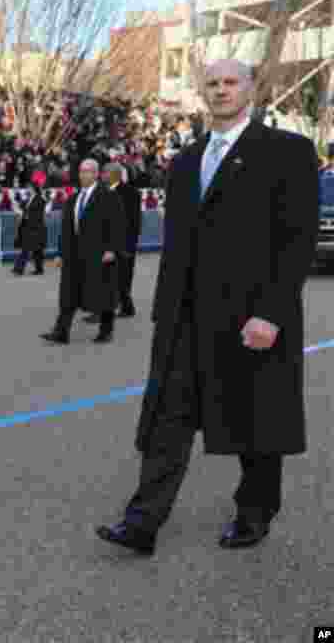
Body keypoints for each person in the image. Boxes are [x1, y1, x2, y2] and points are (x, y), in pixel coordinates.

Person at [96, 59, 320, 555]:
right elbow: (179, 244)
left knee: (254, 421)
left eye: (230, 82)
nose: (220, 91)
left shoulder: (286, 151)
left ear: (251, 89)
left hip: (250, 316)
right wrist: (163, 310)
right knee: (167, 418)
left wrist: (272, 313)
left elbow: (296, 240)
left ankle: (256, 509)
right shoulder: (185, 160)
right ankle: (143, 522)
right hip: (184, 316)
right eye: (212, 84)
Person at [40, 158, 125, 345]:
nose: (82, 175)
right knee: (68, 292)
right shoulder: (74, 198)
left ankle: (106, 330)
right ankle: (61, 332)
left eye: (87, 171)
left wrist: (112, 248)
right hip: (74, 254)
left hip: (99, 252)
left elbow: (117, 224)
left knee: (103, 291)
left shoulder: (107, 195)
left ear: (96, 174)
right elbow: (67, 229)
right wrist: (60, 253)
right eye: (80, 171)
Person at [110, 162, 141, 317]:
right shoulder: (105, 191)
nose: (103, 175)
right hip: (109, 243)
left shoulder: (131, 193)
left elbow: (134, 221)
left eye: (106, 172)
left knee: (123, 277)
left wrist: (130, 245)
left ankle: (127, 307)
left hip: (125, 243)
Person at [12, 186, 47, 275]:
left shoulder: (40, 199)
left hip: (37, 228)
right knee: (35, 250)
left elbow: (38, 213)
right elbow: (22, 206)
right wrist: (17, 194)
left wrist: (28, 216)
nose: (27, 189)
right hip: (28, 227)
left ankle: (19, 269)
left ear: (34, 189)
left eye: (29, 188)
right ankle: (39, 269)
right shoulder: (28, 199)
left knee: (28, 249)